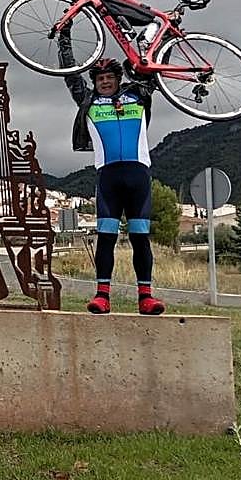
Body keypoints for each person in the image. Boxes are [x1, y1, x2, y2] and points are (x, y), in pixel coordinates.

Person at [60, 46, 166, 315]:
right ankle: (102, 296)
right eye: (99, 79)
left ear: (118, 79)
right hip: (108, 177)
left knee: (140, 237)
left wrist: (163, 28)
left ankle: (146, 297)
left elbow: (151, 64)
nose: (104, 82)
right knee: (106, 237)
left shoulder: (139, 94)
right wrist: (64, 37)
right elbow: (70, 74)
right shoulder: (88, 100)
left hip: (138, 175)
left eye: (109, 77)